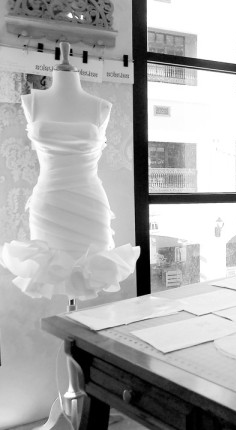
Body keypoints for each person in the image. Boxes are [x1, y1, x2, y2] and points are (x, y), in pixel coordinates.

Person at [0, 43, 139, 300]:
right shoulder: (32, 102)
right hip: (49, 203)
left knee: (88, 270)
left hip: (89, 203)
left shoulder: (100, 107)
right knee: (54, 266)